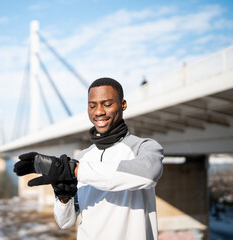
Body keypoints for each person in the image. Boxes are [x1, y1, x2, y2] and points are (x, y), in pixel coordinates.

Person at [14, 77, 164, 240]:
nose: (99, 112)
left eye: (107, 104)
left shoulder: (145, 146)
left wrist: (75, 170)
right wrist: (64, 197)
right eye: (92, 106)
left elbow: (148, 174)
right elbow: (65, 222)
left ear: (123, 104)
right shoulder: (83, 157)